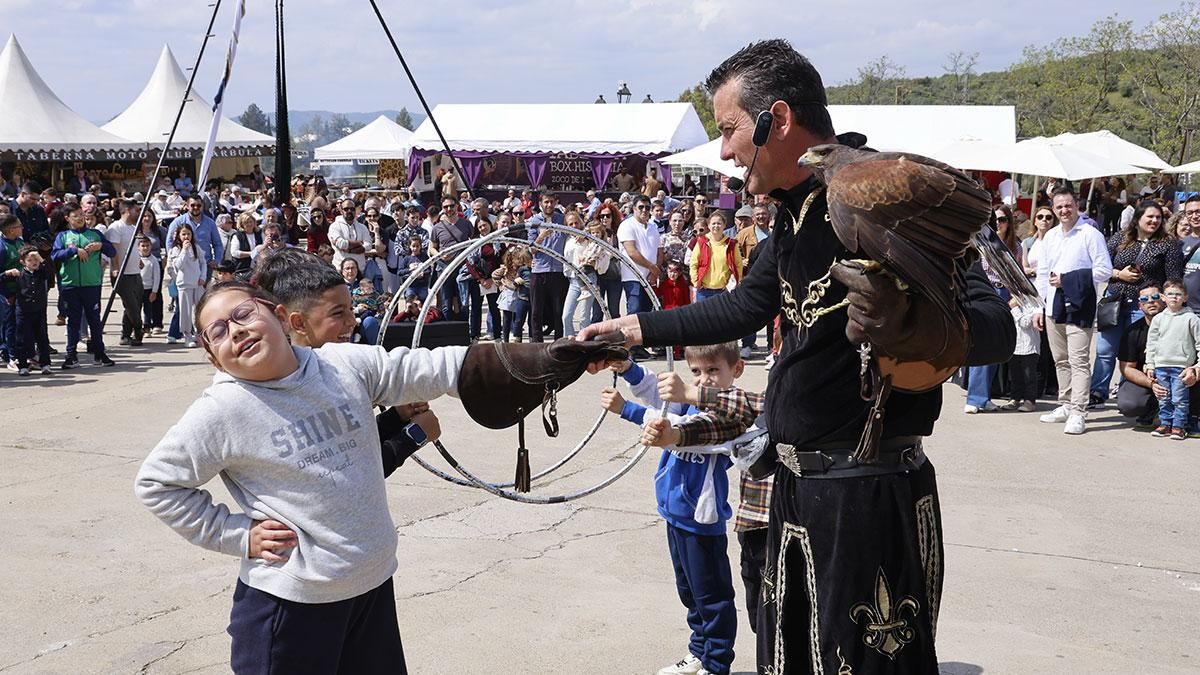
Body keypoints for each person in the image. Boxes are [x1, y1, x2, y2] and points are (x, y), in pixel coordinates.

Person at [578, 39, 1015, 674]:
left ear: (777, 120)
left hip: (869, 492)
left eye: (729, 130)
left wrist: (914, 325)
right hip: (793, 491)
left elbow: (997, 328)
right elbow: (740, 308)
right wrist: (626, 330)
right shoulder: (791, 215)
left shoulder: (877, 192)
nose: (724, 152)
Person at [134, 280, 463, 675]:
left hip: (370, 585)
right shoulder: (222, 411)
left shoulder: (341, 365)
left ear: (278, 316)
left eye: (243, 314)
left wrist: (501, 363)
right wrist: (236, 534)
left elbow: (428, 368)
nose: (235, 331)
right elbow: (157, 483)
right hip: (292, 606)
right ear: (213, 358)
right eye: (217, 331)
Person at [598, 343, 740, 675]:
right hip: (675, 516)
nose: (703, 379)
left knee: (712, 597)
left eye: (713, 370)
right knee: (689, 592)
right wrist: (627, 367)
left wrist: (627, 410)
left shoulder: (731, 415)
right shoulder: (688, 403)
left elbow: (685, 433)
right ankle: (699, 651)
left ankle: (717, 664)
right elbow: (655, 391)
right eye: (696, 371)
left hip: (701, 523)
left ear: (736, 370)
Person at [1034, 188, 1112, 434]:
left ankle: (1079, 410)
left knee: (1079, 360)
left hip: (1080, 305)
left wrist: (1069, 280)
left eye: (1068, 205)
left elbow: (1104, 270)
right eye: (1059, 207)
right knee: (1060, 359)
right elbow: (1043, 273)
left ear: (1077, 206)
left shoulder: (1090, 234)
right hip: (1053, 305)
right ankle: (1066, 403)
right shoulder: (1051, 236)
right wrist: (1038, 306)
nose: (1064, 210)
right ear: (1053, 209)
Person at [1091, 200, 1183, 408]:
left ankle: (1126, 391)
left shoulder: (1168, 244)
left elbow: (1173, 277)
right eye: (1150, 216)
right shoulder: (1120, 238)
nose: (1154, 220)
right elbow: (1100, 265)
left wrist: (1163, 298)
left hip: (1144, 306)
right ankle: (1097, 391)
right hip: (1115, 302)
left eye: (1158, 217)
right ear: (1138, 218)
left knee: (1134, 352)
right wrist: (1118, 274)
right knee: (1105, 350)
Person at [964, 205, 1021, 413]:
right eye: (995, 219)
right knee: (983, 342)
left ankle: (984, 396)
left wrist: (1015, 298)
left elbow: (1018, 275)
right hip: (984, 291)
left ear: (1009, 223)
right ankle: (975, 398)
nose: (998, 223)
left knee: (997, 344)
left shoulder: (1015, 247)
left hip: (1005, 292)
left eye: (1003, 219)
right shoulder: (979, 243)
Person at [51, 203, 117, 368]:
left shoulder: (95, 234)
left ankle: (99, 353)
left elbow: (112, 252)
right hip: (70, 284)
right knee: (73, 321)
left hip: (92, 283)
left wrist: (101, 245)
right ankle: (71, 355)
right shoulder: (63, 236)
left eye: (81, 214)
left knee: (94, 320)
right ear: (67, 218)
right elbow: (55, 255)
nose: (80, 218)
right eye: (76, 216)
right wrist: (74, 251)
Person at [1144, 279, 1200, 439]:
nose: (1174, 297)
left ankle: (1179, 426)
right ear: (1163, 297)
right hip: (1161, 366)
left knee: (1179, 399)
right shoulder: (1158, 319)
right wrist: (1150, 364)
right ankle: (1165, 424)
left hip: (1181, 368)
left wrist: (1197, 366)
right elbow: (1152, 343)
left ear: (1185, 297)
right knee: (1164, 398)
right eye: (1170, 294)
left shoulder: (1192, 319)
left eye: (1178, 294)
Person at [1117, 283, 1168, 428]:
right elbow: (1127, 368)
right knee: (1128, 404)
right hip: (1147, 380)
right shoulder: (1132, 332)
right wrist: (1151, 384)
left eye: (1155, 296)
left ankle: (1190, 417)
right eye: (1145, 299)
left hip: (1177, 378)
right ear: (1140, 305)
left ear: (1164, 299)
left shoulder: (1182, 325)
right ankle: (1151, 409)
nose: (1150, 301)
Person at [527, 191, 568, 342]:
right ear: (540, 204)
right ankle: (537, 343)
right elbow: (531, 249)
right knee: (536, 311)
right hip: (539, 271)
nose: (549, 205)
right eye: (546, 202)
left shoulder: (562, 220)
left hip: (558, 271)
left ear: (556, 203)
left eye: (551, 202)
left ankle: (559, 342)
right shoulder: (533, 221)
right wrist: (541, 236)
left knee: (558, 311)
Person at [106, 200, 144, 346]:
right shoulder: (116, 228)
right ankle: (139, 330)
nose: (139, 213)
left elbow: (133, 247)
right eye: (136, 210)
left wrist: (139, 259)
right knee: (132, 306)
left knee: (135, 304)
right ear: (127, 210)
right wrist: (115, 268)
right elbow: (114, 250)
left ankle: (126, 334)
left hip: (135, 272)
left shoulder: (133, 228)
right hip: (122, 274)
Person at [10, 244, 52, 375]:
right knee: (22, 339)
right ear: (23, 262)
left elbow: (50, 272)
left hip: (39, 310)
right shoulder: (19, 274)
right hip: (23, 310)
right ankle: (23, 365)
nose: (34, 262)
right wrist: (7, 273)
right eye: (30, 260)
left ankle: (45, 364)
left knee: (42, 338)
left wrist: (40, 257)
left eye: (36, 260)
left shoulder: (41, 272)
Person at [167, 223, 207, 348]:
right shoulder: (175, 250)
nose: (186, 237)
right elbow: (179, 265)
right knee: (185, 311)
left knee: (200, 309)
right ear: (179, 236)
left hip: (197, 283)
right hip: (184, 284)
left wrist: (203, 277)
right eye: (183, 234)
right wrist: (184, 250)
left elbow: (203, 262)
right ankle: (187, 335)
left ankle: (200, 334)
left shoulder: (196, 247)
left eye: (188, 234)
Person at [689, 212, 742, 303]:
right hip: (703, 291)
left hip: (723, 292)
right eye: (713, 223)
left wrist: (731, 286)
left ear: (724, 225)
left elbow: (738, 265)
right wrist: (696, 281)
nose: (716, 226)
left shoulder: (732, 244)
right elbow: (693, 264)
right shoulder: (701, 242)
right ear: (709, 226)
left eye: (719, 223)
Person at [137, 237, 162, 340]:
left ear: (151, 246)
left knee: (148, 310)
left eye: (147, 245)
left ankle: (147, 328)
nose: (145, 248)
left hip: (149, 289)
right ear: (138, 247)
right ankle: (137, 328)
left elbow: (157, 277)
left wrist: (154, 291)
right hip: (137, 289)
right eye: (143, 246)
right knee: (136, 309)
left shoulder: (154, 260)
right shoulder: (135, 259)